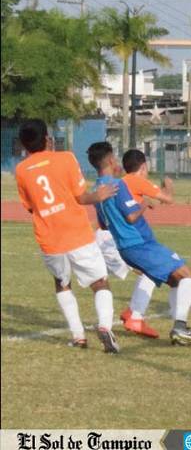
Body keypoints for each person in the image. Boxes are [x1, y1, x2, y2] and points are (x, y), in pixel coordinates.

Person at [14, 119, 120, 353]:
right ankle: (104, 326)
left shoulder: (21, 170)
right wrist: (99, 195)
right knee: (100, 282)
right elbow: (81, 197)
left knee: (62, 283)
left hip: (49, 238)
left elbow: (31, 207)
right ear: (47, 139)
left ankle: (78, 336)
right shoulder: (66, 158)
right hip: (77, 234)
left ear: (23, 144)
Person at [87, 142, 191, 346]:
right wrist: (144, 204)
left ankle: (174, 326)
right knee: (188, 275)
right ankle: (179, 327)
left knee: (176, 280)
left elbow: (104, 225)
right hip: (139, 244)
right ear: (111, 160)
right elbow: (132, 216)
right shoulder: (117, 185)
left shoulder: (96, 190)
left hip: (126, 248)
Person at [115, 149, 177, 338]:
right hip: (132, 240)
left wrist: (144, 201)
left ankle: (133, 312)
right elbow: (168, 199)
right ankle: (139, 317)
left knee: (148, 271)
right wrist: (168, 185)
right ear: (143, 166)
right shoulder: (136, 180)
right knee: (173, 272)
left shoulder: (122, 182)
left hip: (118, 237)